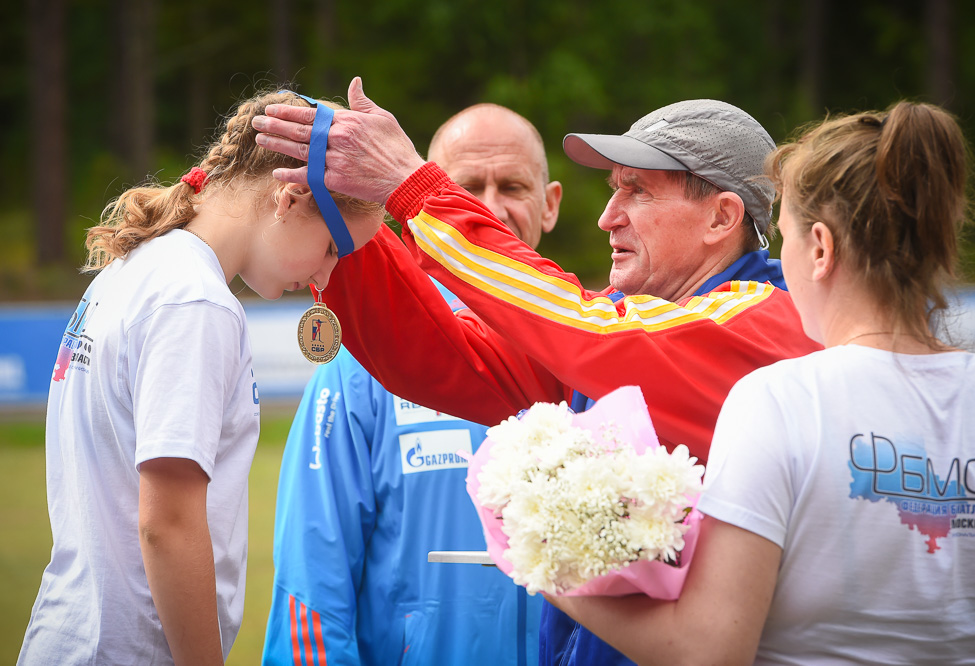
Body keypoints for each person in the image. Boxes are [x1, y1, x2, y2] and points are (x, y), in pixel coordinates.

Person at [251, 77, 821, 665]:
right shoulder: (638, 326)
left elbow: (581, 326)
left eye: (638, 192)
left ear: (721, 217)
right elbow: (447, 358)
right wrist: (347, 220)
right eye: (612, 190)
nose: (607, 217)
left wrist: (413, 187)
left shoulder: (759, 318)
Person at [547, 102, 975, 663]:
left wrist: (551, 568)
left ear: (819, 250)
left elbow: (708, 651)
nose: (773, 268)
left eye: (780, 240)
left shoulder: (779, 399)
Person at [17, 90, 384, 666]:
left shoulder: (138, 266)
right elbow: (167, 523)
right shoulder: (196, 301)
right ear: (288, 198)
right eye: (334, 248)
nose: (325, 274)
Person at [261, 103, 560, 666]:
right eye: (465, 186)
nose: (488, 207)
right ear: (414, 204)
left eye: (513, 186)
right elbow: (311, 576)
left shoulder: (582, 345)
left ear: (551, 205)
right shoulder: (365, 359)